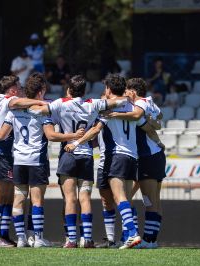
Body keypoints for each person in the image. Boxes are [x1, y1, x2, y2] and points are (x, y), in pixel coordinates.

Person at [23, 75, 128, 248]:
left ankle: (71, 239)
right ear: (84, 90)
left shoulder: (60, 103)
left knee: (70, 198)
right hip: (86, 155)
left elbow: (36, 110)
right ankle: (87, 238)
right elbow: (118, 102)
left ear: (69, 89)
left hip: (68, 154)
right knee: (85, 198)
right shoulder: (93, 103)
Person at [0, 74, 85, 248]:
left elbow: (2, 134)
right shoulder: (42, 111)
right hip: (36, 160)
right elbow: (51, 136)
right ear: (41, 91)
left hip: (18, 160)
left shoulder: (14, 110)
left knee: (19, 197)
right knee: (37, 200)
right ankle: (37, 238)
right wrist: (74, 136)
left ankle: (22, 239)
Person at [65, 74, 162, 249]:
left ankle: (132, 234)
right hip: (132, 157)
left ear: (109, 89)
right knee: (124, 198)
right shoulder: (131, 106)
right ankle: (127, 236)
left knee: (119, 197)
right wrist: (158, 139)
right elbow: (147, 125)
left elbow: (95, 130)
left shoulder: (107, 110)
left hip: (116, 155)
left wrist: (77, 142)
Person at [0, 75, 46, 247]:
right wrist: (39, 102)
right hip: (0, 153)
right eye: (19, 86)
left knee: (2, 198)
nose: (22, 89)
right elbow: (17, 103)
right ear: (13, 90)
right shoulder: (10, 101)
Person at [104, 78, 165, 248]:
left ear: (134, 92)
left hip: (148, 156)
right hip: (154, 155)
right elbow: (160, 117)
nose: (125, 94)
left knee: (149, 201)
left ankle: (148, 240)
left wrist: (116, 114)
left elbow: (138, 115)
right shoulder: (150, 102)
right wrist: (154, 121)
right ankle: (147, 238)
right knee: (152, 201)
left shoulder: (141, 103)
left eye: (127, 91)